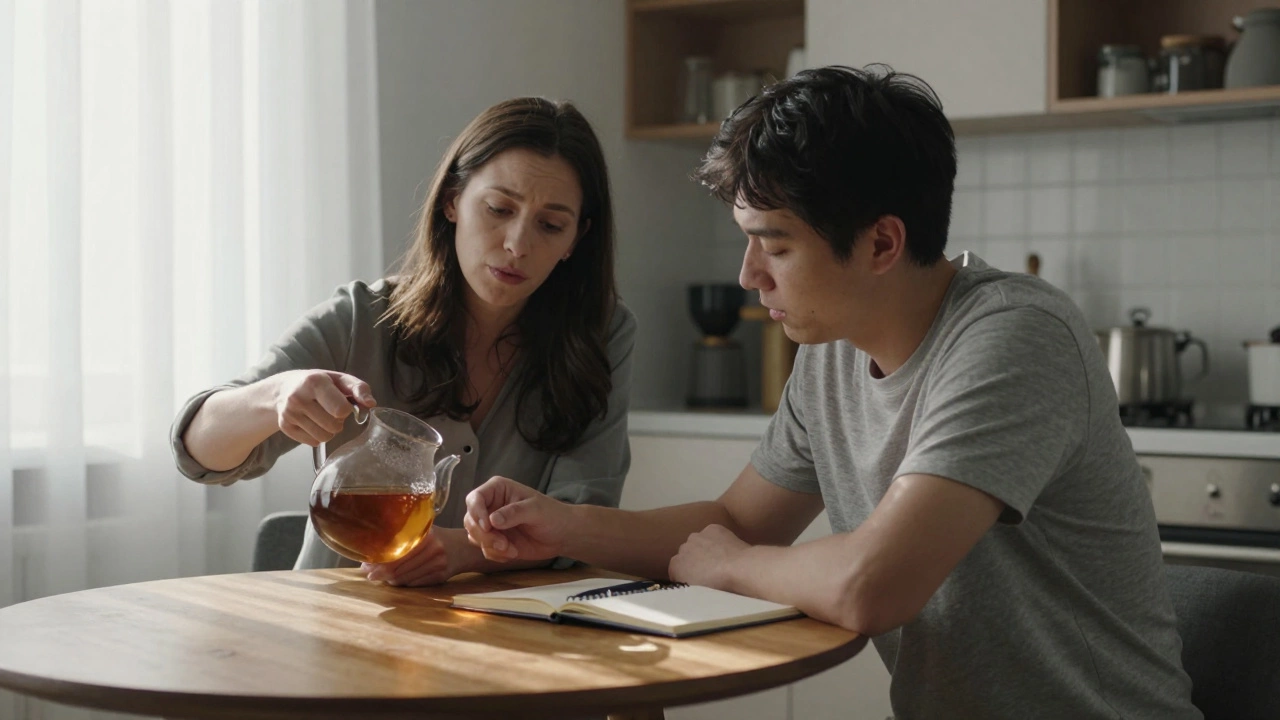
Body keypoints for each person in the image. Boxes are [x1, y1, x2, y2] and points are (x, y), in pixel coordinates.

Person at [461, 68, 1201, 719]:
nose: (751, 275)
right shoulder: (832, 351)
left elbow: (869, 586)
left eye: (774, 244)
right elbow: (736, 521)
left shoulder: (1015, 337)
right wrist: (561, 525)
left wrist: (727, 568)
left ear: (881, 244)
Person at [171, 97, 635, 587]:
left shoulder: (603, 335)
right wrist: (275, 396)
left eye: (551, 225)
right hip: (336, 628)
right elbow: (198, 451)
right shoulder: (361, 318)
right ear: (452, 200)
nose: (518, 243)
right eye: (499, 209)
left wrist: (464, 552)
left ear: (575, 241)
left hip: (508, 639)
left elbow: (583, 521)